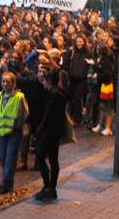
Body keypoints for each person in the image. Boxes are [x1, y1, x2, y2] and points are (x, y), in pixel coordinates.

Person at [0, 71, 29, 194]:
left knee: (10, 157)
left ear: (13, 84)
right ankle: (8, 180)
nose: (5, 84)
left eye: (8, 81)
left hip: (14, 131)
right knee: (2, 157)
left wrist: (19, 126)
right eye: (3, 81)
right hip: (1, 131)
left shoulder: (19, 97)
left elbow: (24, 113)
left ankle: (5, 181)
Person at [34, 68, 68, 202]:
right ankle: (50, 188)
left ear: (48, 81)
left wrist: (39, 131)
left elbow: (48, 116)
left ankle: (48, 186)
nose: (42, 83)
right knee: (53, 159)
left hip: (50, 131)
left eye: (43, 81)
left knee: (40, 157)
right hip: (55, 131)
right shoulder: (58, 93)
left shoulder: (53, 95)